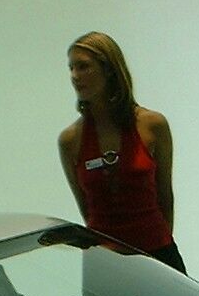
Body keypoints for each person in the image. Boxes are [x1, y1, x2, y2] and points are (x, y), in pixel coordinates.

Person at [58, 32, 186, 273]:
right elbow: (86, 208)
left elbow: (165, 196)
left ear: (109, 69)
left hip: (158, 252)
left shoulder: (153, 125)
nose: (75, 76)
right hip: (105, 263)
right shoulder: (70, 140)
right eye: (71, 68)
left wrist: (159, 248)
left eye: (84, 67)